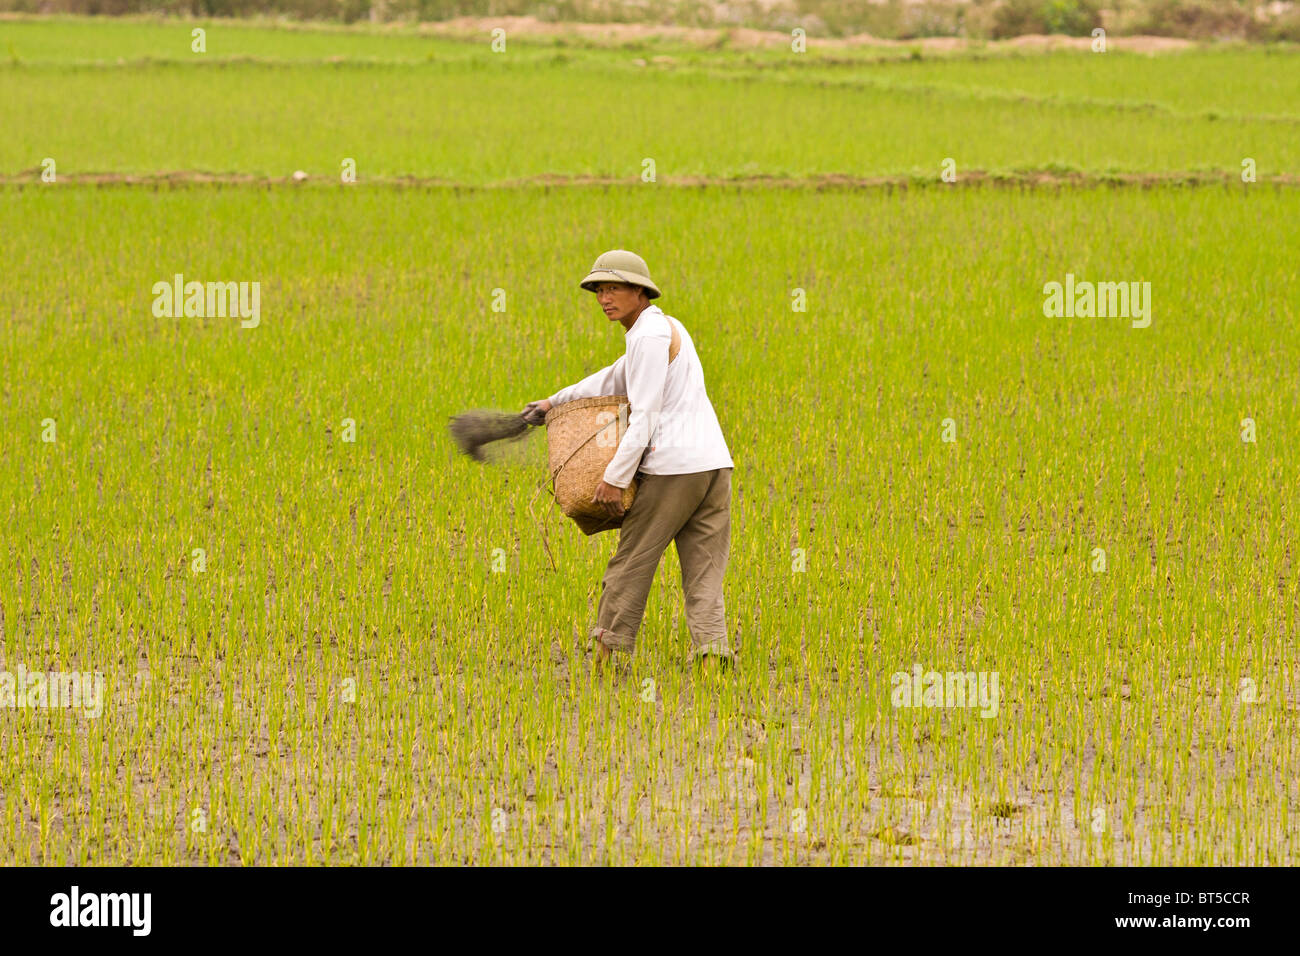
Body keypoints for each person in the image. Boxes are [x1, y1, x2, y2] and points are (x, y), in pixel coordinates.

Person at [522, 250, 736, 672]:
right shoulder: (662, 329)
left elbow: (645, 413)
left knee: (632, 559)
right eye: (599, 290)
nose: (604, 297)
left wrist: (615, 477)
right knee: (704, 564)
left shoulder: (648, 336)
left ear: (640, 290)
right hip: (713, 464)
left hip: (674, 469)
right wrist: (554, 402)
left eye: (614, 288)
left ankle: (605, 657)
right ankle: (713, 653)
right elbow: (614, 376)